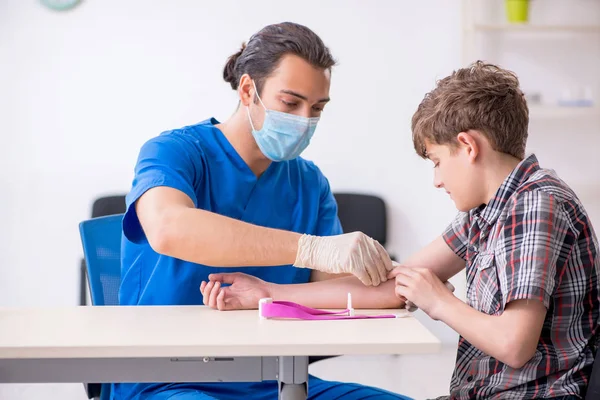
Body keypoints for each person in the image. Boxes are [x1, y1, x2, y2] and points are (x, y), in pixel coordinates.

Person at [118, 21, 409, 400]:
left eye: (317, 108)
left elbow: (338, 291)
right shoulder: (174, 152)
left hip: (275, 380)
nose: (305, 120)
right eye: (290, 103)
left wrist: (399, 281)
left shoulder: (308, 183)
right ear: (247, 90)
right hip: (167, 380)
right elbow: (169, 229)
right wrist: (311, 248)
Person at [386, 61, 600, 399]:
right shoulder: (484, 210)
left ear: (468, 146)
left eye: (438, 161)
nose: (437, 180)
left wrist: (439, 302)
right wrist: (277, 294)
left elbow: (513, 345)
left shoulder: (535, 204)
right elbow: (403, 279)